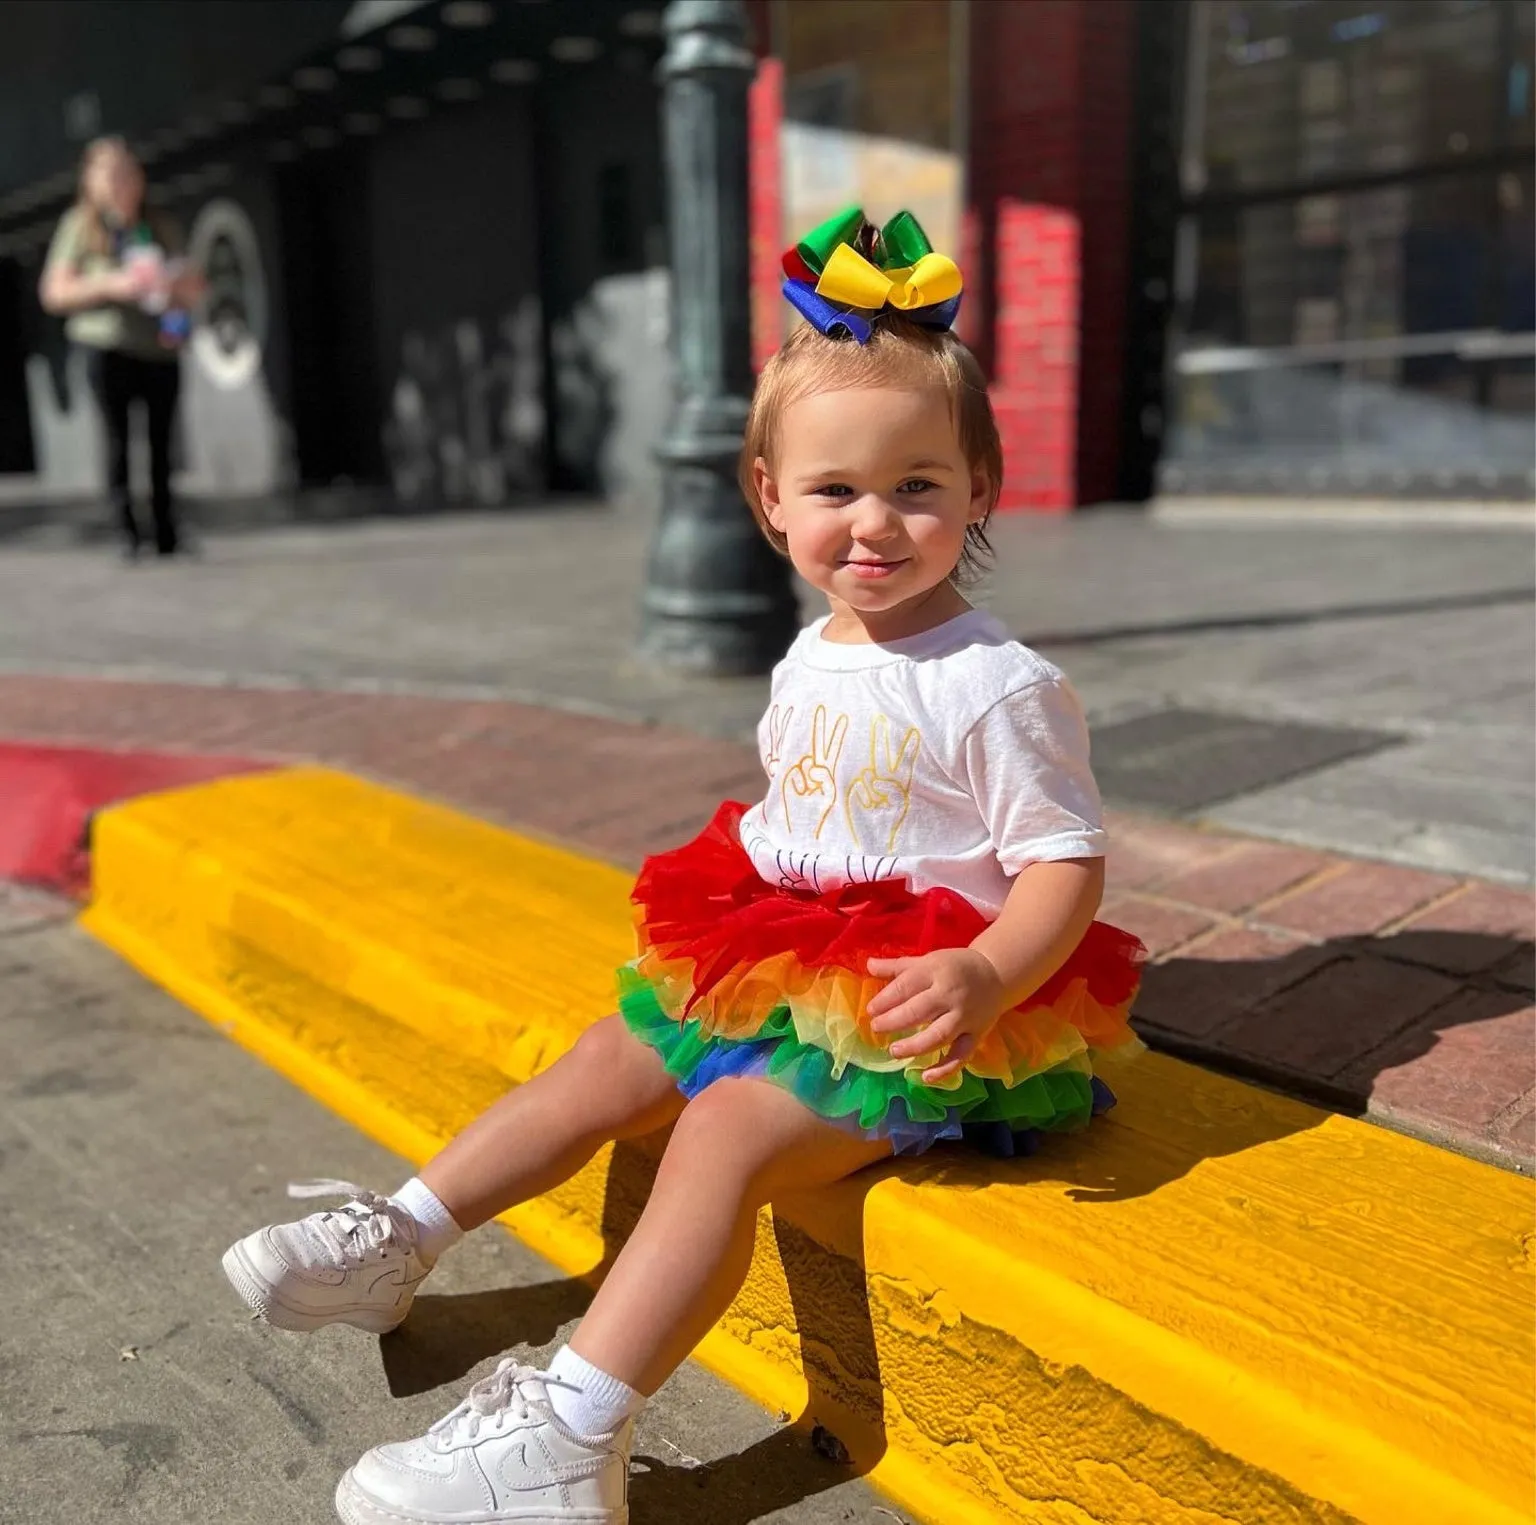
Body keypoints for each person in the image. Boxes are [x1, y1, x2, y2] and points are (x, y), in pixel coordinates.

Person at [220, 209, 1145, 1525]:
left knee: (720, 1130)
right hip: (777, 953)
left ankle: (572, 1433)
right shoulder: (816, 650)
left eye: (919, 486)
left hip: (916, 1019)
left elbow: (1064, 861)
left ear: (980, 488)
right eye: (834, 490)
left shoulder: (996, 685)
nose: (873, 523)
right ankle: (405, 1237)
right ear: (771, 501)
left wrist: (989, 969)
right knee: (608, 1055)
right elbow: (804, 806)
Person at [39, 136, 204, 559]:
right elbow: (54, 292)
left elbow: (193, 285)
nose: (120, 183)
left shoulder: (160, 225)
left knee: (162, 442)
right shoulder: (80, 228)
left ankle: (167, 528)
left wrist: (174, 286)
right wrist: (110, 284)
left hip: (159, 346)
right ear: (90, 181)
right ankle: (127, 530)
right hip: (106, 344)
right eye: (109, 174)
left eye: (127, 172)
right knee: (117, 441)